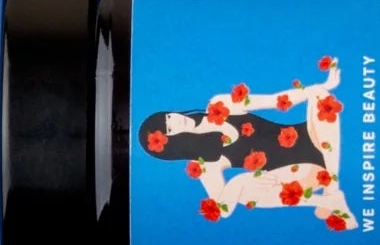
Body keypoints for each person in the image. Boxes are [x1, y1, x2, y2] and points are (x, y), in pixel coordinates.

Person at [136, 62, 356, 227]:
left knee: (320, 94)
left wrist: (322, 85)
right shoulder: (203, 164)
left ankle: (332, 192)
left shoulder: (218, 104)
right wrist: (236, 183)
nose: (176, 121)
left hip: (314, 134)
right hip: (301, 173)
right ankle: (327, 197)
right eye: (170, 130)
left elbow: (274, 101)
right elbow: (223, 209)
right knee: (244, 194)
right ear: (174, 144)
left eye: (169, 117)